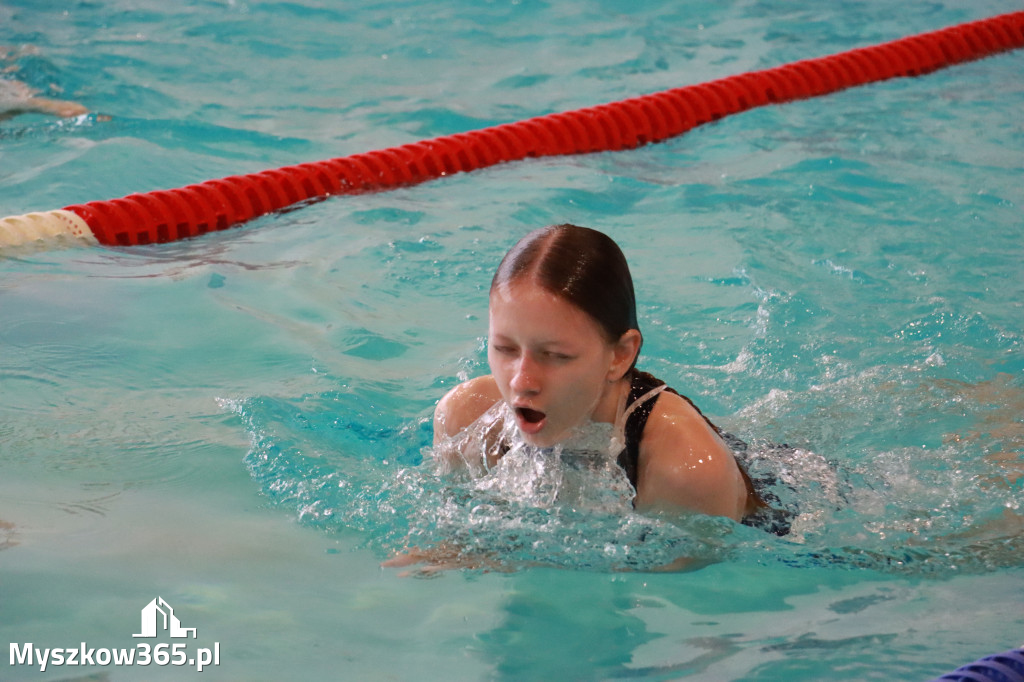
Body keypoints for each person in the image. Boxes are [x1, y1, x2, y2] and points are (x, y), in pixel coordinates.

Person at [432, 223, 784, 530]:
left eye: (555, 356)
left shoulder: (686, 470)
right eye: (505, 349)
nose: (521, 381)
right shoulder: (465, 420)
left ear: (620, 355)